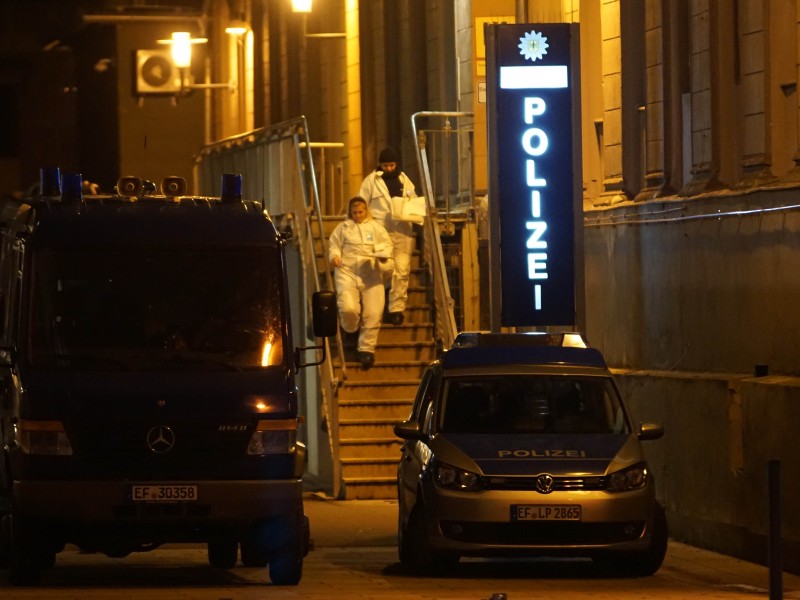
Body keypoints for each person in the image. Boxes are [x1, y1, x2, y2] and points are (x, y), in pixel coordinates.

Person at [328, 197, 393, 370]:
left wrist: (383, 255)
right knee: (348, 308)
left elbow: (386, 246)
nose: (357, 215)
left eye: (361, 211)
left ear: (366, 210)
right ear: (350, 212)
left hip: (371, 273)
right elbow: (334, 246)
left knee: (374, 312)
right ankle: (350, 330)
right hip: (347, 271)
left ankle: (366, 350)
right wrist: (334, 256)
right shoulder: (343, 228)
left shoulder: (377, 228)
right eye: (354, 212)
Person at [358, 146, 418, 326]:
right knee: (385, 269)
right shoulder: (371, 181)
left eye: (391, 165)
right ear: (380, 165)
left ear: (396, 164)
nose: (389, 169)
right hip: (380, 232)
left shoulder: (404, 180)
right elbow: (361, 203)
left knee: (402, 269)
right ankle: (384, 297)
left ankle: (396, 309)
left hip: (402, 231)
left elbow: (413, 201)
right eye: (385, 165)